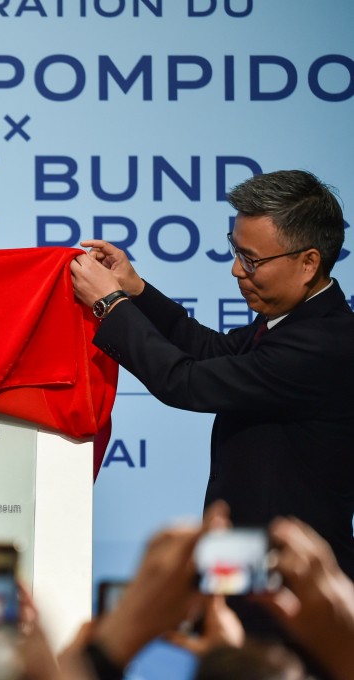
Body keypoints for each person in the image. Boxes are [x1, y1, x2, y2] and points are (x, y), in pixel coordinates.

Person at [70, 170, 354, 587]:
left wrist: (109, 305)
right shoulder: (291, 323)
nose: (237, 270)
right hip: (248, 567)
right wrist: (135, 291)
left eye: (252, 260)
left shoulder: (325, 344)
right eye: (236, 251)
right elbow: (209, 351)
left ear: (308, 262)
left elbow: (186, 381)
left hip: (290, 587)